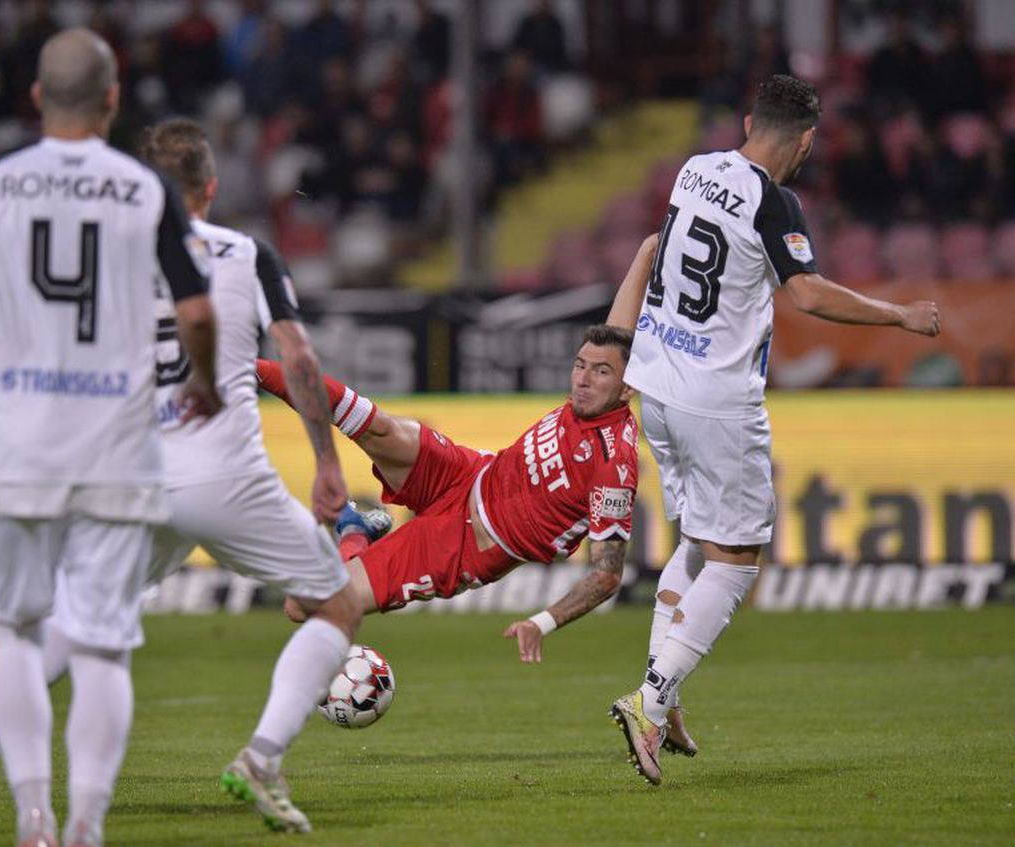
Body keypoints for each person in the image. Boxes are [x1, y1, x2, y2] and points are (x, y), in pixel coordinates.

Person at [0, 118, 364, 836]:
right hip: (224, 475)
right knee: (338, 602)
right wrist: (325, 462)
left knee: (79, 617)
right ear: (211, 187)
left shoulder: (99, 258)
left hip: (124, 475)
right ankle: (261, 757)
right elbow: (300, 359)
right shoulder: (244, 252)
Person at [0, 30, 221, 847]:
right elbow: (195, 310)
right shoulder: (146, 189)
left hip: (17, 443)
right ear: (114, 100)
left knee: (12, 632)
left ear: (38, 99)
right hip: (116, 446)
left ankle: (33, 819)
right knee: (104, 647)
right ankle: (85, 823)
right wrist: (206, 379)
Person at [608, 74, 940, 787]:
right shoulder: (774, 199)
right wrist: (899, 315)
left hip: (658, 386)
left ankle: (661, 691)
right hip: (716, 401)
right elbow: (807, 292)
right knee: (736, 560)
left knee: (699, 543)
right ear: (808, 140)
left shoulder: (695, 170)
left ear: (749, 120)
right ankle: (651, 697)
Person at [265, 236, 664, 652]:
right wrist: (643, 255)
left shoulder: (613, 461)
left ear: (626, 389)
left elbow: (607, 574)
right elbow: (618, 338)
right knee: (378, 426)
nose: (583, 379)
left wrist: (544, 623)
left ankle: (354, 536)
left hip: (463, 549)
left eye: (599, 372)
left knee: (301, 605)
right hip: (469, 473)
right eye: (580, 365)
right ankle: (250, 370)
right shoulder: (597, 389)